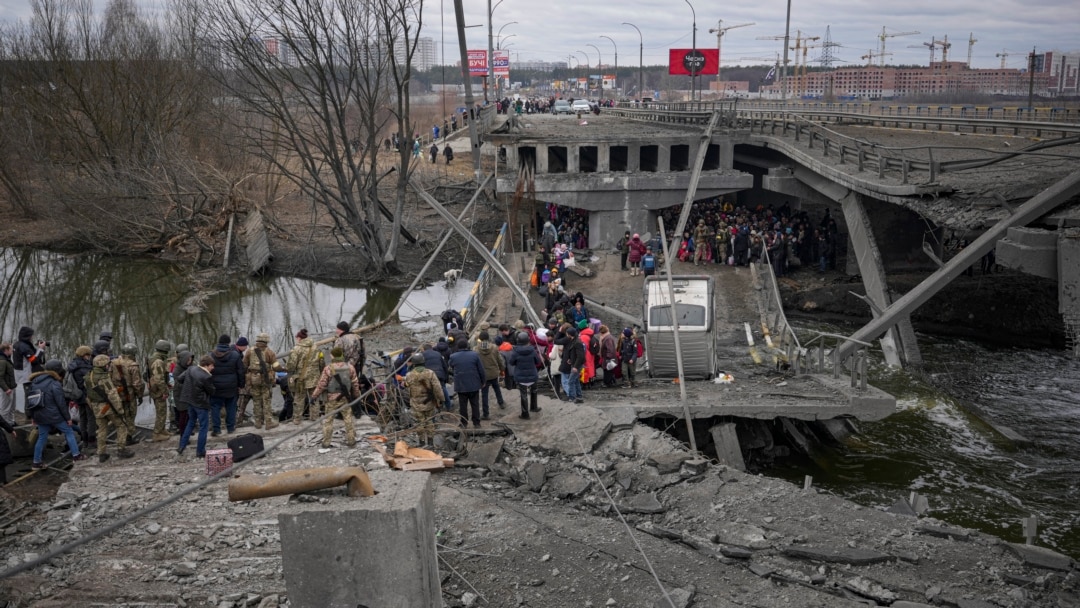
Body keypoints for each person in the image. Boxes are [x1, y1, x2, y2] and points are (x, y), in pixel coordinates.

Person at [28, 359, 86, 469]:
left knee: (42, 437)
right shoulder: (55, 383)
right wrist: (67, 418)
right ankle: (76, 456)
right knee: (68, 431)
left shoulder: (34, 382)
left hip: (39, 415)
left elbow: (30, 401)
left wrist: (33, 416)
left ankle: (36, 462)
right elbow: (60, 403)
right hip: (54, 415)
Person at [84, 354, 133, 463]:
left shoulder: (89, 376)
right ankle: (121, 449)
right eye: (108, 364)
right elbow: (112, 394)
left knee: (101, 430)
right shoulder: (104, 377)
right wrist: (119, 409)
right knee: (121, 425)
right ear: (104, 365)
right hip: (108, 407)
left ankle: (101, 453)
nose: (109, 366)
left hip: (96, 407)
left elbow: (88, 394)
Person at [311, 347, 360, 448]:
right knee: (348, 419)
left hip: (331, 398)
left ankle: (326, 443)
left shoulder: (328, 368)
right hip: (346, 398)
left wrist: (314, 396)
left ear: (333, 356)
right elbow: (355, 383)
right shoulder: (350, 367)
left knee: (328, 420)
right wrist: (356, 396)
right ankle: (351, 441)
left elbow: (322, 384)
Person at [176, 355, 216, 460]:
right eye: (212, 366)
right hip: (201, 404)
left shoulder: (191, 369)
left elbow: (180, 379)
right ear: (206, 365)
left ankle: (181, 446)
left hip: (189, 401)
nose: (213, 368)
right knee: (204, 427)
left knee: (190, 423)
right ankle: (200, 451)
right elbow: (212, 391)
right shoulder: (206, 376)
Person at [209, 334, 245, 436]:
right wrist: (241, 385)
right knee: (231, 407)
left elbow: (206, 371)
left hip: (216, 387)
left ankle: (216, 429)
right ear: (229, 343)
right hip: (231, 386)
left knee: (215, 407)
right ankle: (230, 428)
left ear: (219, 342)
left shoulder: (211, 355)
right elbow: (240, 371)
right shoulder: (235, 355)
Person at [242, 333, 279, 430]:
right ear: (266, 341)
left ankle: (258, 422)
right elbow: (275, 366)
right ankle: (268, 422)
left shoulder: (249, 351)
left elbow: (244, 365)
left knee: (256, 400)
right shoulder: (269, 352)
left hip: (253, 380)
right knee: (266, 401)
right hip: (265, 380)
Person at [403, 353, 441, 448]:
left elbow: (405, 386)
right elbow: (437, 387)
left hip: (416, 403)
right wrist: (441, 399)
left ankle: (422, 442)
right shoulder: (430, 373)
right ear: (423, 362)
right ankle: (431, 442)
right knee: (429, 422)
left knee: (419, 422)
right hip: (429, 402)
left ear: (414, 364)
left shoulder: (409, 375)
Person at [286, 329, 321, 424]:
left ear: (299, 338)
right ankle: (314, 417)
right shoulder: (315, 347)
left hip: (301, 378)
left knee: (299, 398)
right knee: (314, 397)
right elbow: (321, 361)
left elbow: (291, 366)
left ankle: (297, 419)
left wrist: (288, 369)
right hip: (314, 377)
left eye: (296, 338)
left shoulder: (296, 349)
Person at [112, 343, 145, 443]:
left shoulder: (114, 362)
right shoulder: (133, 365)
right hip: (129, 395)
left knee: (120, 415)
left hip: (116, 394)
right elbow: (137, 383)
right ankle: (128, 437)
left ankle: (122, 435)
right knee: (130, 415)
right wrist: (140, 395)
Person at [448, 341, 485, 428]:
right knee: (475, 404)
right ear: (467, 346)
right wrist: (483, 381)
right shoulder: (474, 355)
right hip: (474, 383)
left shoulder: (453, 356)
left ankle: (464, 423)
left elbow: (450, 366)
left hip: (461, 384)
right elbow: (481, 370)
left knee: (463, 405)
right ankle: (476, 423)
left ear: (458, 347)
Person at [508, 332, 543, 419]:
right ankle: (534, 407)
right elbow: (538, 361)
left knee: (523, 395)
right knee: (534, 391)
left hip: (520, 376)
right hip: (532, 374)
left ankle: (525, 413)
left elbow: (511, 362)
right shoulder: (532, 350)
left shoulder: (515, 351)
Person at [66, 345, 95, 446]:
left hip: (77, 395)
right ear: (84, 355)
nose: (90, 357)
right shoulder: (84, 367)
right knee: (91, 418)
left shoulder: (73, 365)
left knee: (82, 418)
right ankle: (91, 440)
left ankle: (84, 440)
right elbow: (89, 382)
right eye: (88, 355)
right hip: (86, 395)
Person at [474, 331, 505, 419]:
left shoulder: (476, 349)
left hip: (483, 375)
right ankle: (501, 402)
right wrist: (502, 369)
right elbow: (500, 360)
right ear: (488, 338)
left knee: (484, 394)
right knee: (497, 388)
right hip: (494, 372)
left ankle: (486, 414)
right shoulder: (494, 347)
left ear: (480, 338)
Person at [148, 340, 173, 442]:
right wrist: (165, 391)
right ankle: (157, 434)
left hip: (156, 388)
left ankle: (162, 430)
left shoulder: (154, 358)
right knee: (161, 412)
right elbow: (159, 378)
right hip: (158, 391)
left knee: (162, 410)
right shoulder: (158, 361)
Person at [557, 327, 585, 404]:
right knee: (576, 381)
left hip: (577, 365)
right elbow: (575, 354)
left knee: (570, 381)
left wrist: (575, 366)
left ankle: (572, 398)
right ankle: (579, 397)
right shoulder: (574, 341)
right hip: (574, 363)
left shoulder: (577, 343)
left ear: (569, 334)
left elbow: (580, 356)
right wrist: (571, 360)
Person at [13, 326, 45, 392]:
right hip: (26, 376)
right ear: (27, 336)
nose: (32, 337)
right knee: (29, 396)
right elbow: (33, 360)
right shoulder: (24, 347)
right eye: (31, 335)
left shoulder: (17, 344)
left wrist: (37, 349)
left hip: (20, 375)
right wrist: (41, 349)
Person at [420, 343, 451, 410]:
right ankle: (448, 406)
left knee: (430, 392)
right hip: (440, 374)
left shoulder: (422, 355)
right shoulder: (438, 354)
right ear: (431, 348)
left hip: (429, 376)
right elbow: (444, 366)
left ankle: (434, 410)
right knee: (443, 388)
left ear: (424, 349)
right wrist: (446, 378)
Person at [171, 349, 193, 436]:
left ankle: (188, 431)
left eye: (191, 359)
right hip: (180, 395)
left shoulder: (188, 367)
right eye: (189, 360)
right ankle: (183, 434)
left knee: (188, 415)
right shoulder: (177, 370)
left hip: (187, 395)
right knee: (183, 416)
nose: (190, 361)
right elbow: (177, 384)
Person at [0, 343, 15, 425]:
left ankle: (10, 422)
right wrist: (6, 389)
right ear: (6, 350)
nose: (12, 350)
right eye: (11, 349)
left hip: (12, 386)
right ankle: (3, 426)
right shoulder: (2, 361)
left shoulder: (7, 359)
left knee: (12, 407)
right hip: (7, 389)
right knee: (5, 408)